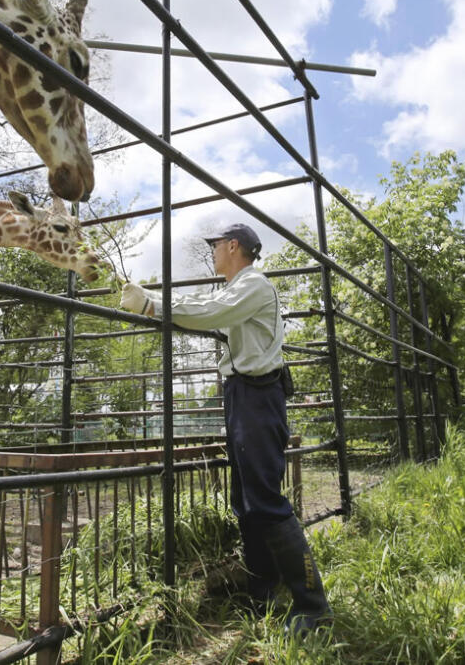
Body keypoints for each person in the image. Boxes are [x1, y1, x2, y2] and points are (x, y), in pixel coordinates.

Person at [120, 223, 331, 631]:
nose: (213, 251)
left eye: (216, 244)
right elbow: (205, 307)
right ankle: (262, 592)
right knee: (246, 501)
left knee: (266, 501)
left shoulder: (254, 286)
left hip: (258, 396)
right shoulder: (236, 290)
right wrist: (156, 301)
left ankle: (312, 606)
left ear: (233, 246)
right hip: (241, 395)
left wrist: (152, 305)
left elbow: (211, 313)